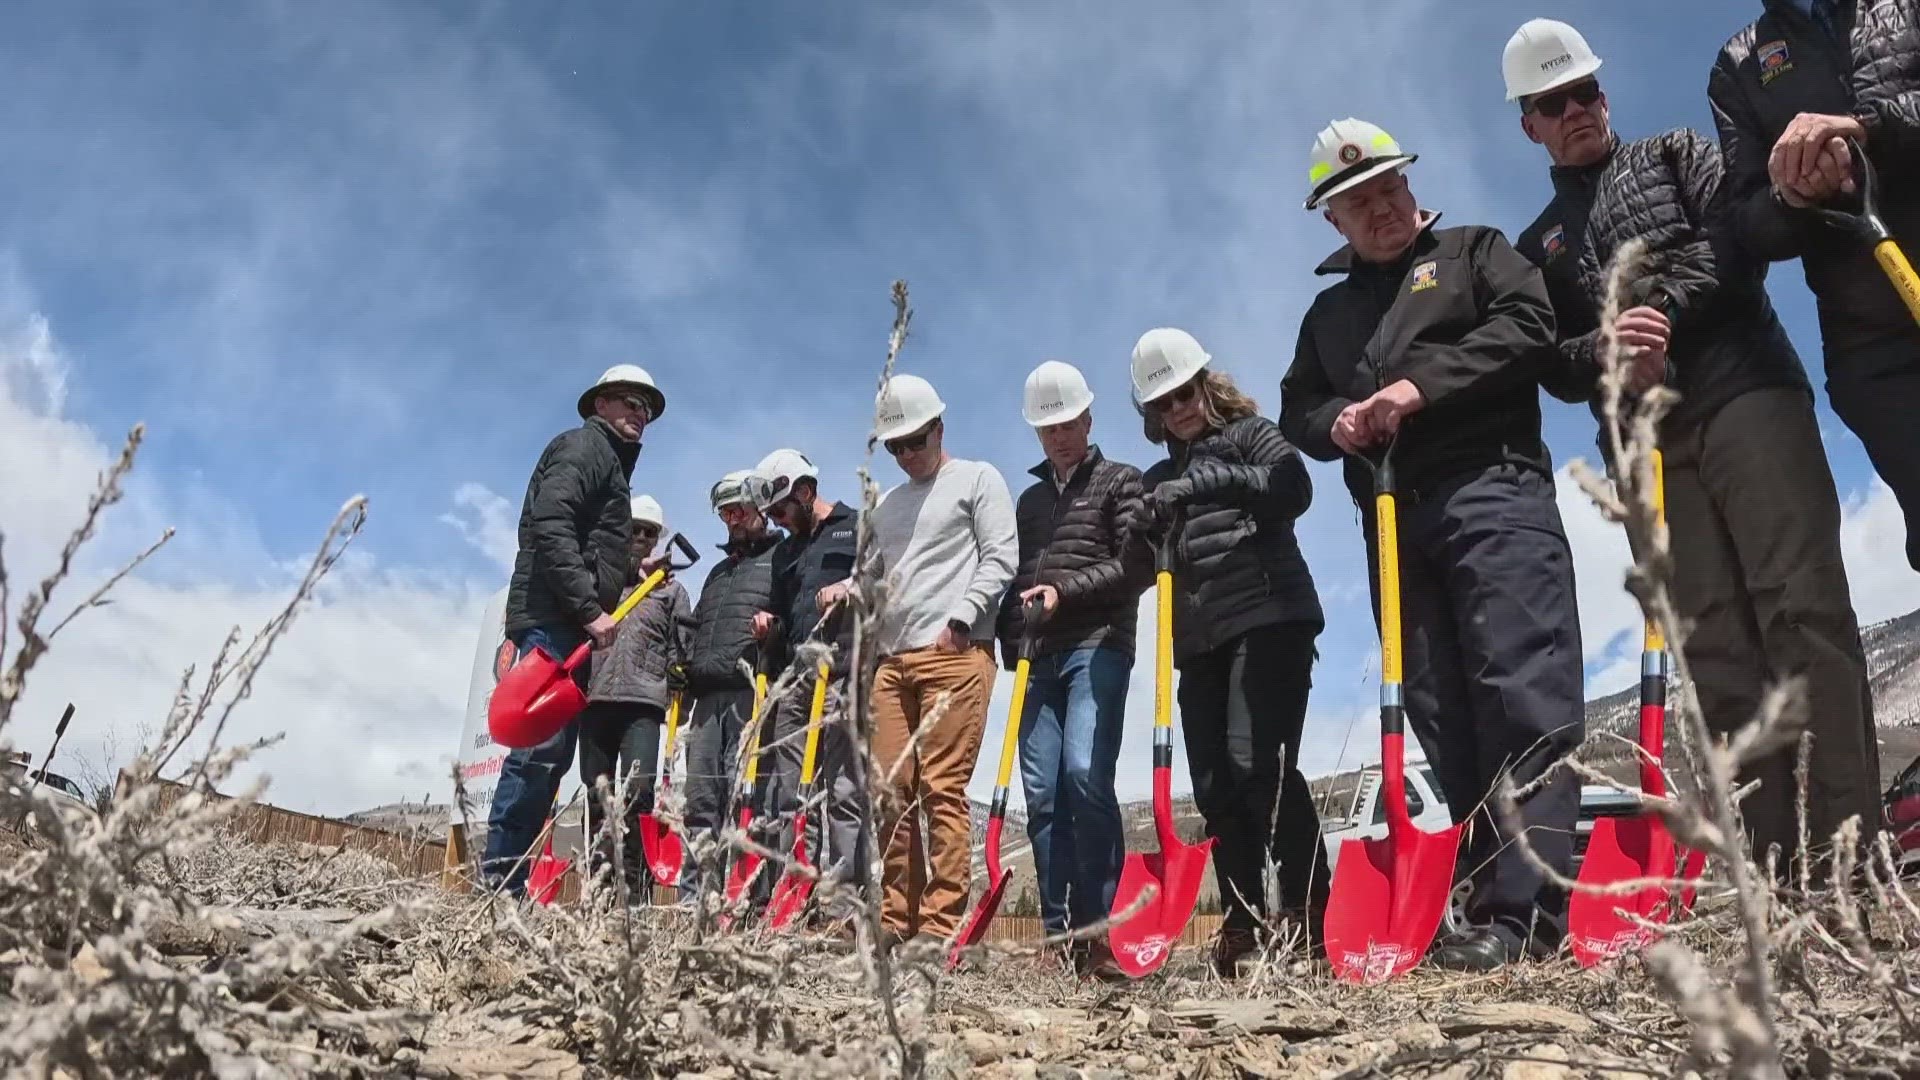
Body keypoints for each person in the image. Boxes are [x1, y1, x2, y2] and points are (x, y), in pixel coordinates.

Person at [1507, 18, 1881, 878]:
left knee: (1804, 614)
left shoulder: (1679, 151)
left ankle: (1849, 862)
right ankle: (1775, 876)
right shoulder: (1536, 249)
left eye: (1585, 92)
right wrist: (1602, 350)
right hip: (1644, 454)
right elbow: (1551, 363)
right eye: (1552, 102)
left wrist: (1661, 315)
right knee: (1715, 656)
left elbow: (1740, 239)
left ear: (1604, 93)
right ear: (1528, 123)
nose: (1576, 110)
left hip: (1745, 390)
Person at [1278, 119, 1583, 971]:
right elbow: (1293, 406)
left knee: (1519, 688)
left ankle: (1529, 918)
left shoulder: (1477, 252)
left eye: (1387, 190)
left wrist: (1420, 386)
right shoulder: (1328, 314)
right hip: (1389, 518)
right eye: (1355, 203)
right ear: (1331, 221)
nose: (1378, 209)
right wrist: (1330, 421)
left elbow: (1531, 326)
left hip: (1493, 490)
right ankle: (1489, 897)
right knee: (1440, 705)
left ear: (1411, 186)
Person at [1119, 329, 1328, 977]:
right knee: (1214, 785)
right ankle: (1242, 918)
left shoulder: (1249, 434)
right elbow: (1133, 567)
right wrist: (1142, 529)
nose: (1177, 408)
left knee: (1258, 764)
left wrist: (1215, 483)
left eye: (1184, 393)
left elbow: (1295, 487)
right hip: (1199, 645)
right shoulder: (1157, 477)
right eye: (1162, 404)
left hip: (1270, 618)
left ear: (1205, 384)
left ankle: (1311, 908)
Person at [1709, 0, 1920, 570]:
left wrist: (1866, 130)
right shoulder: (1736, 64)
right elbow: (1751, 225)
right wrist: (1792, 193)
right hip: (1875, 347)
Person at [484, 364, 667, 897]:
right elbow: (552, 525)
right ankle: (499, 886)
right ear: (599, 405)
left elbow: (585, 545)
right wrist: (589, 609)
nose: (640, 414)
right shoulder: (583, 449)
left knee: (549, 758)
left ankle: (507, 887)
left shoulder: (608, 465)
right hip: (555, 622)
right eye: (630, 402)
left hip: (565, 622)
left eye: (647, 409)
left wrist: (628, 576)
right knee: (536, 755)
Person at [995, 360, 1145, 978]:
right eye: (1046, 426)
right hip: (1039, 659)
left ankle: (1099, 933)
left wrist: (1065, 594)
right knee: (1044, 795)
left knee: (1085, 775)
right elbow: (1014, 578)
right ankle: (1060, 943)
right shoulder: (1029, 502)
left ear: (1088, 416)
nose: (1058, 434)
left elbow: (1134, 566)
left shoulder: (1120, 481)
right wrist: (1012, 635)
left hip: (1098, 644)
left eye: (1066, 421)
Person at [864, 374, 1019, 948]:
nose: (906, 455)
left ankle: (938, 925)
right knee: (889, 791)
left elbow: (1001, 555)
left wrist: (962, 619)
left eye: (915, 442)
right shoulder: (886, 508)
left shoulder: (977, 479)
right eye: (895, 447)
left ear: (938, 429)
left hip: (953, 655)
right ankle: (894, 920)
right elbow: (879, 578)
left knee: (941, 790)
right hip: (892, 664)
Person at [748, 447, 871, 921]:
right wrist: (767, 624)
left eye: (780, 510)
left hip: (845, 672)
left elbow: (882, 583)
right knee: (787, 790)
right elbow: (781, 612)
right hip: (797, 678)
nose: (777, 520)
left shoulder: (857, 526)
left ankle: (842, 910)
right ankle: (792, 898)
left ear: (805, 491)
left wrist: (850, 589)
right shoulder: (785, 552)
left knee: (842, 791)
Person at [579, 494, 693, 898]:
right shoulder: (600, 583)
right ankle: (600, 888)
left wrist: (680, 670)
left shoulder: (671, 591)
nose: (642, 537)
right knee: (597, 796)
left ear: (658, 538)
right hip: (594, 700)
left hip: (643, 704)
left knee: (637, 794)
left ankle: (635, 894)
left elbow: (683, 645)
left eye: (650, 532)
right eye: (635, 529)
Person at [678, 469, 783, 900]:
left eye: (739, 510)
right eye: (725, 513)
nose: (733, 520)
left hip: (751, 691)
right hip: (706, 697)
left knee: (751, 799)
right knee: (701, 801)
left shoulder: (782, 559)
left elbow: (792, 621)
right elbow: (697, 624)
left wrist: (773, 632)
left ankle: (751, 902)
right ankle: (694, 899)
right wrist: (680, 666)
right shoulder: (718, 573)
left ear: (761, 508)